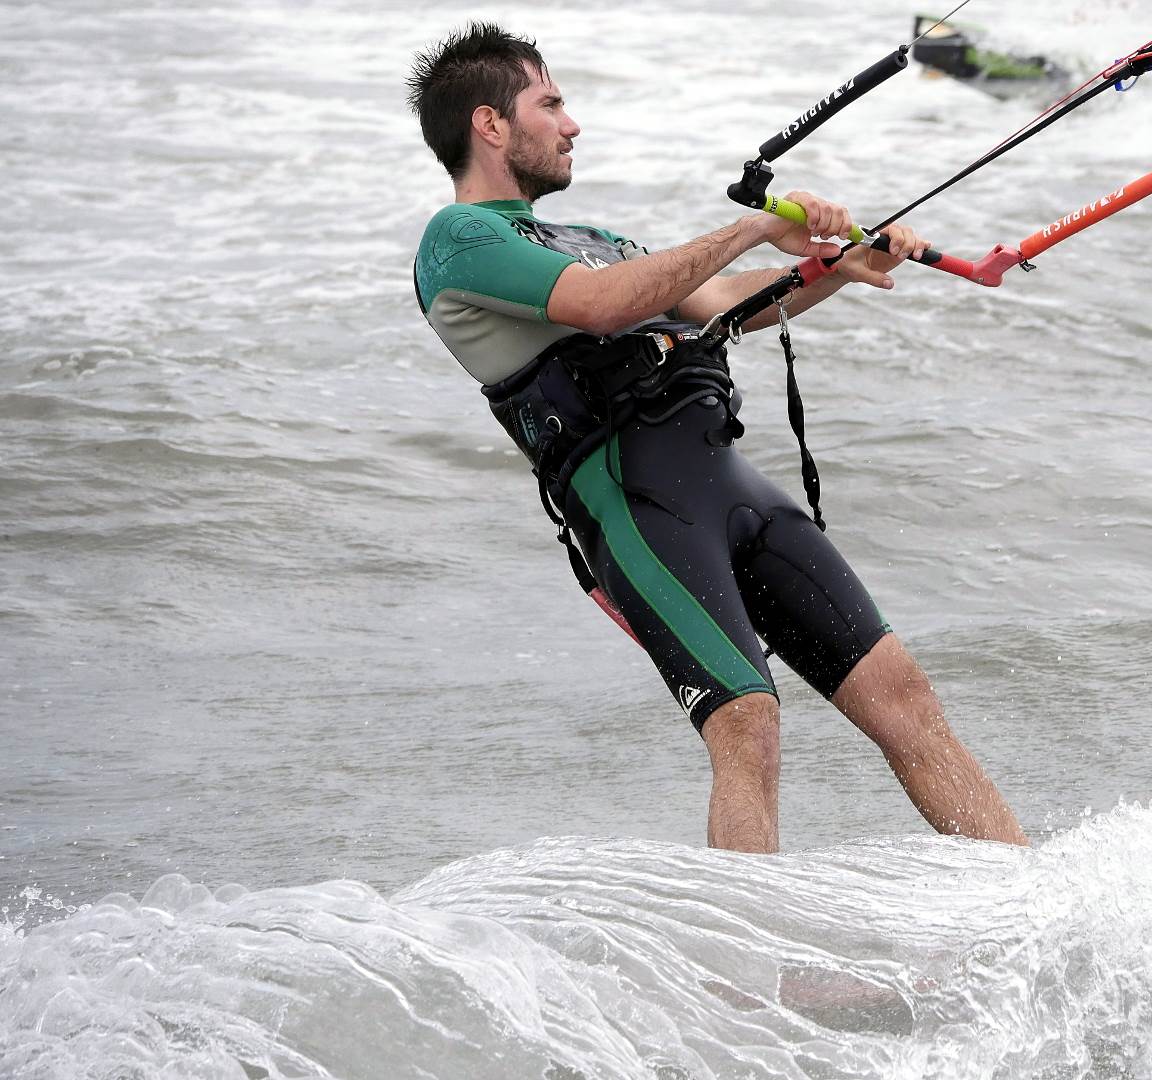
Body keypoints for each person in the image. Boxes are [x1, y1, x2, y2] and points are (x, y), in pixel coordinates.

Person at [406, 23, 1028, 853]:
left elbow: (723, 301)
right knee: (747, 724)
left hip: (731, 485)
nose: (571, 124)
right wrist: (757, 227)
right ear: (489, 124)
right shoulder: (460, 240)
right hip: (638, 508)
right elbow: (603, 305)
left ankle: (1026, 894)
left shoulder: (594, 242)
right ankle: (746, 941)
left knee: (903, 697)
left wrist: (834, 265)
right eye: (549, 104)